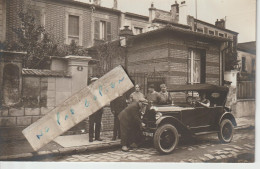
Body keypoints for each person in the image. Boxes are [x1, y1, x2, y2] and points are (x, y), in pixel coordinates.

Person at [88, 77, 103, 142]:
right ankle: (91, 137)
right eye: (94, 82)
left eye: (96, 81)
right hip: (92, 109)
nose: (95, 83)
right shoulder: (89, 90)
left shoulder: (100, 90)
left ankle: (97, 137)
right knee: (91, 123)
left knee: (98, 123)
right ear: (92, 82)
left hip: (99, 108)